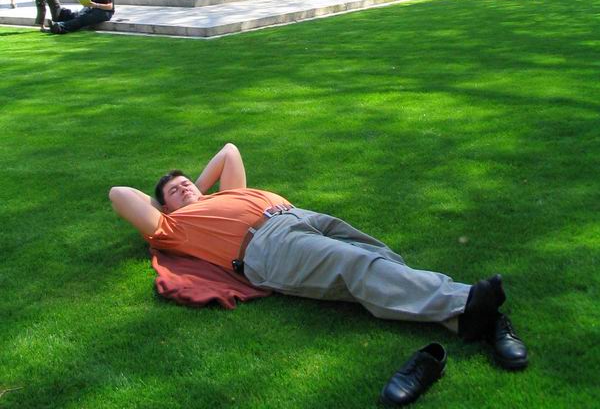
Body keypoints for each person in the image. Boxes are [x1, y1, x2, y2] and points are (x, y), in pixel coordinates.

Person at [109, 144, 528, 373]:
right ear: (164, 208)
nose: (183, 188)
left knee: (378, 256)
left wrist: (197, 190)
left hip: (298, 216)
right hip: (266, 246)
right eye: (174, 191)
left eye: (185, 182)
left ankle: (468, 319)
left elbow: (229, 151)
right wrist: (171, 206)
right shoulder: (175, 226)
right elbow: (120, 194)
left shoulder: (226, 194)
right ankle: (469, 303)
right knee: (356, 266)